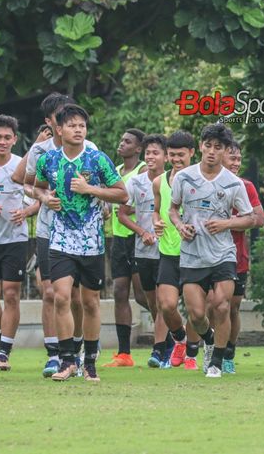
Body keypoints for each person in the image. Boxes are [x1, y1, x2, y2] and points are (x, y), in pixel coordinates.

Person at [34, 104, 128, 382]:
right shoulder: (48, 160)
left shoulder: (97, 159)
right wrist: (43, 198)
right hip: (60, 238)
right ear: (59, 130)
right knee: (61, 296)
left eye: (82, 126)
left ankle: (89, 363)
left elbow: (122, 194)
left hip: (92, 242)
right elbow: (34, 185)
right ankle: (66, 361)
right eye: (72, 125)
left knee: (90, 302)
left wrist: (90, 189)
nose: (78, 130)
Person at [169, 123, 254, 378]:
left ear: (225, 151)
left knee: (221, 306)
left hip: (223, 254)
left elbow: (250, 218)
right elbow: (173, 209)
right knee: (196, 314)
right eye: (208, 146)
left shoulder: (233, 183)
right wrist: (180, 226)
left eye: (218, 148)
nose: (212, 152)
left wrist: (226, 223)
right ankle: (208, 338)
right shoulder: (184, 177)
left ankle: (216, 362)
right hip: (193, 254)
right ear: (201, 147)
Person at [20, 93, 96, 377]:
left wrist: (96, 199)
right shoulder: (41, 152)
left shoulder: (91, 150)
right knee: (52, 292)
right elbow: (28, 185)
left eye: (76, 119)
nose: (71, 124)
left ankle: (78, 349)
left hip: (81, 233)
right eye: (62, 117)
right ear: (51, 123)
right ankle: (56, 354)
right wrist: (42, 197)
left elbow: (105, 185)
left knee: (78, 297)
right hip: (48, 229)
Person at [0, 115, 38, 370]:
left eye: (8, 137)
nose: (3, 141)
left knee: (11, 293)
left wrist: (26, 212)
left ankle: (3, 353)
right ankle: (0, 341)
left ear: (15, 140)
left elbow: (40, 197)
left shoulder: (22, 167)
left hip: (15, 240)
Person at [117, 134, 169, 367]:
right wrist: (142, 232)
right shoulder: (136, 183)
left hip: (167, 251)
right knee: (152, 302)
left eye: (155, 153)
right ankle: (171, 343)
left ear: (166, 157)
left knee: (163, 300)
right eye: (148, 153)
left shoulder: (174, 182)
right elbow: (122, 213)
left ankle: (159, 351)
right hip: (143, 251)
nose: (150, 157)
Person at [152, 131, 201, 370]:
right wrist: (156, 222)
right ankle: (180, 340)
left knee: (196, 309)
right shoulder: (158, 182)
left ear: (192, 153)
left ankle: (192, 351)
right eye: (172, 155)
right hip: (169, 252)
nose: (176, 159)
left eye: (181, 155)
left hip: (196, 253)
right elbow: (157, 210)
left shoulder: (201, 179)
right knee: (167, 305)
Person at [105, 128, 149, 367]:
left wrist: (128, 207)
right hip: (119, 238)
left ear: (138, 148)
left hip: (138, 238)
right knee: (119, 292)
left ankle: (174, 332)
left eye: (128, 141)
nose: (121, 144)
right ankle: (124, 354)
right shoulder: (117, 172)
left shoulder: (144, 171)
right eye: (121, 140)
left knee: (143, 294)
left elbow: (147, 202)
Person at [222, 143, 264, 374]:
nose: (236, 163)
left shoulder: (246, 186)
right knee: (211, 306)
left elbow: (258, 219)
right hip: (207, 256)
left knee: (232, 308)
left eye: (239, 159)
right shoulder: (201, 184)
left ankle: (228, 352)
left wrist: (233, 220)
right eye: (232, 158)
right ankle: (211, 347)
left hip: (237, 257)